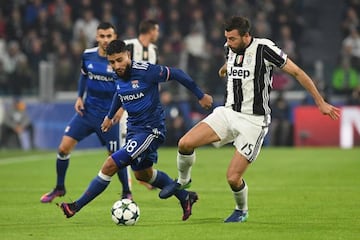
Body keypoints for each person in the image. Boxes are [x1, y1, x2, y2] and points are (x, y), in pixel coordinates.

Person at [159, 16, 341, 223]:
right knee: (185, 143)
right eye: (227, 38)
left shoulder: (264, 49)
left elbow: (297, 72)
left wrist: (320, 102)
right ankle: (184, 180)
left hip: (253, 121)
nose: (228, 43)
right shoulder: (230, 48)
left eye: (233, 39)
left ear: (246, 36)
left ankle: (241, 210)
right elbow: (235, 61)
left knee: (233, 178)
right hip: (228, 113)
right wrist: (225, 67)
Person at [57, 39, 213, 221]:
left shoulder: (147, 71)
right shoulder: (117, 73)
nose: (116, 65)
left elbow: (177, 73)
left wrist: (200, 95)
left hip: (151, 131)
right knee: (143, 174)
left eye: (120, 60)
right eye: (112, 62)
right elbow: (119, 92)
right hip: (134, 129)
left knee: (110, 164)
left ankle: (74, 206)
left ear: (128, 56)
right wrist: (109, 116)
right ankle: (186, 197)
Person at [40, 22, 131, 203]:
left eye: (109, 36)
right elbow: (83, 76)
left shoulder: (120, 60)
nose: (105, 40)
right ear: (97, 37)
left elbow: (127, 86)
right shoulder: (88, 55)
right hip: (87, 112)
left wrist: (121, 108)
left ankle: (126, 191)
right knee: (63, 148)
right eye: (102, 36)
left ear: (115, 37)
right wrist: (80, 97)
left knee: (115, 157)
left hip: (109, 117)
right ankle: (59, 187)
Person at [120, 19, 160, 190]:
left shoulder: (153, 50)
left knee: (143, 139)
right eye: (156, 30)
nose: (158, 34)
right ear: (151, 30)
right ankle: (127, 187)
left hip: (145, 106)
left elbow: (154, 77)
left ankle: (142, 174)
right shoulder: (128, 45)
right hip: (126, 103)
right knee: (125, 140)